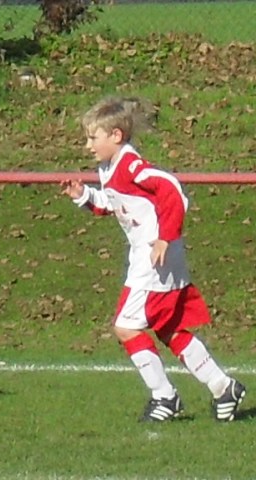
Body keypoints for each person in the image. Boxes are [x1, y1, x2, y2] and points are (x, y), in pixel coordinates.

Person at [61, 96, 246, 422]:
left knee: (126, 327)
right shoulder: (110, 168)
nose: (88, 145)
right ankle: (223, 387)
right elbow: (116, 205)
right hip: (153, 258)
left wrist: (165, 236)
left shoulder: (131, 166)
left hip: (154, 260)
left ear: (115, 135)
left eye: (93, 137)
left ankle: (165, 396)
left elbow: (171, 189)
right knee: (168, 328)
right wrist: (84, 196)